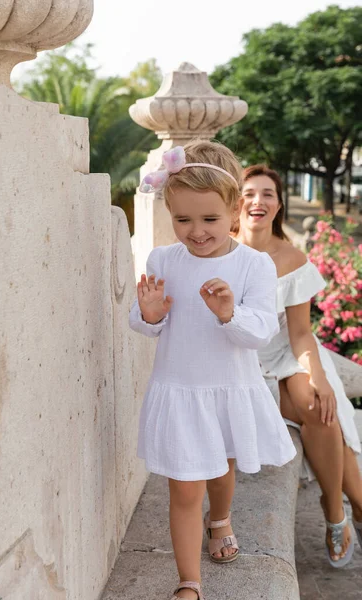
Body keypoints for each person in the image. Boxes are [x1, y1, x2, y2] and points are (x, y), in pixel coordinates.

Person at [129, 141, 297, 600]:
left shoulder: (254, 265)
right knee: (184, 489)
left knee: (222, 469)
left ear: (234, 209)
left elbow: (260, 332)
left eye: (209, 220)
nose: (196, 232)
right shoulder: (163, 260)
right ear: (169, 212)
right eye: (183, 220)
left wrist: (228, 313)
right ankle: (189, 582)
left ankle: (219, 518)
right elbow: (147, 328)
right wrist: (149, 313)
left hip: (228, 388)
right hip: (181, 388)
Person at [234, 164, 362, 568]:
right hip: (244, 360)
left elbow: (302, 335)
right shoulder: (221, 247)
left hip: (289, 351)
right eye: (249, 192)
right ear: (235, 200)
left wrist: (321, 378)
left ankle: (333, 511)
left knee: (319, 406)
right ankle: (352, 503)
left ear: (279, 204)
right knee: (323, 422)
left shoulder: (290, 257)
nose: (258, 201)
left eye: (267, 193)